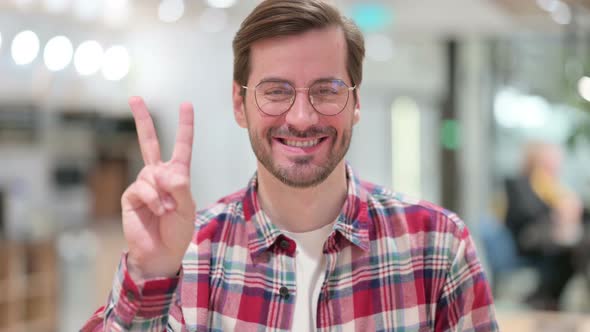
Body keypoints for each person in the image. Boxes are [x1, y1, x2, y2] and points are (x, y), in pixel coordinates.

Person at [82, 0, 498, 330]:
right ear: (238, 104)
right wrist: (151, 271)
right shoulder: (191, 255)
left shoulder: (437, 247)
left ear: (356, 102)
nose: (301, 117)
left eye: (327, 89)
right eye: (276, 91)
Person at [504, 141, 585, 310]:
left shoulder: (555, 186)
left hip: (553, 241)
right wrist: (558, 212)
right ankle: (544, 297)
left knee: (579, 248)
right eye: (553, 158)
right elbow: (526, 214)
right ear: (537, 159)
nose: (558, 163)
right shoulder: (519, 183)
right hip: (531, 241)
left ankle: (549, 298)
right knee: (572, 250)